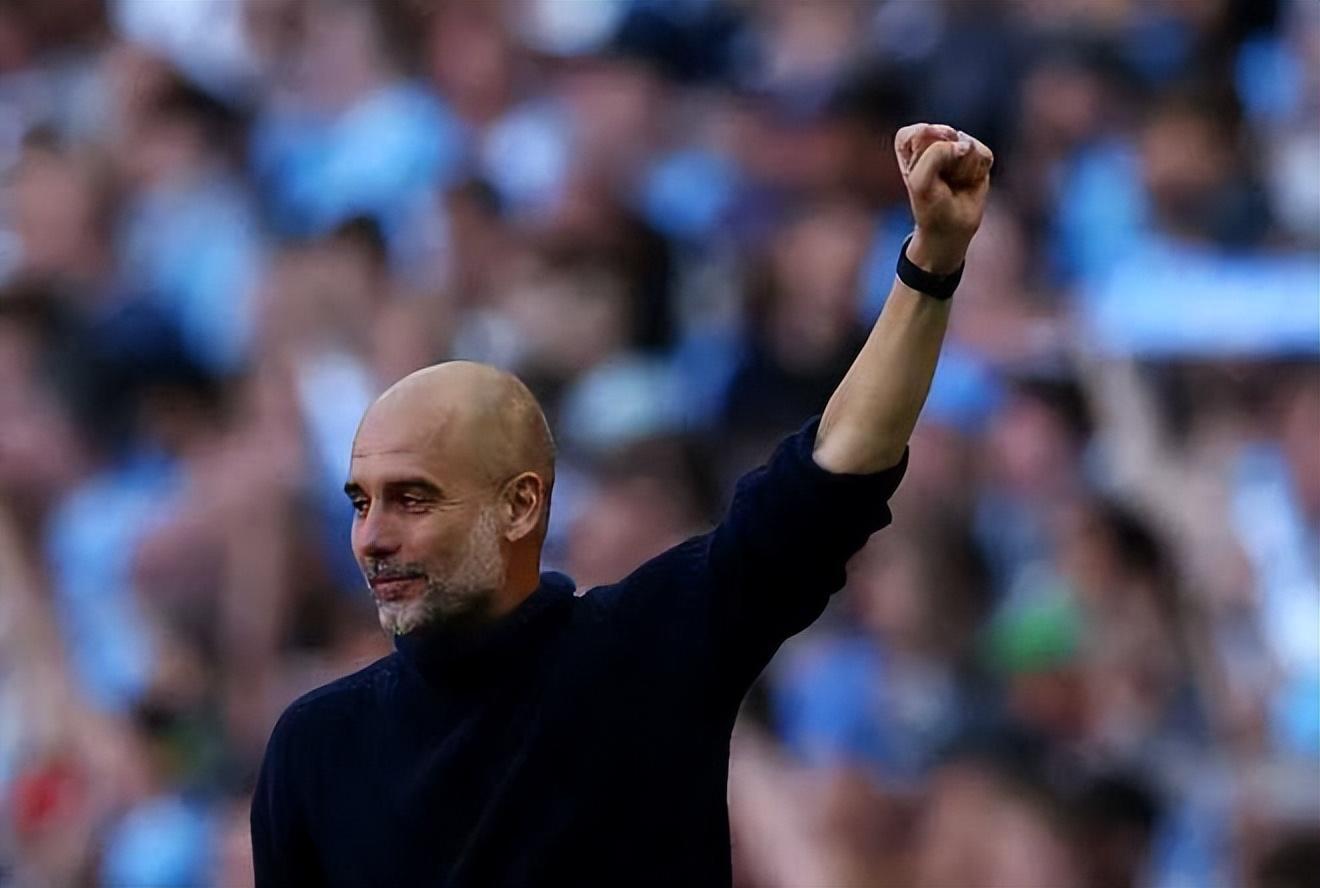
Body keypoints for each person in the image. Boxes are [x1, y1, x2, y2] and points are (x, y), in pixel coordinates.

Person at [250, 123, 994, 886]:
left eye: (413, 500)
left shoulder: (645, 649)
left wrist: (930, 266)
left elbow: (836, 470)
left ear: (520, 506)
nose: (372, 537)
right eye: (360, 504)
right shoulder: (313, 748)